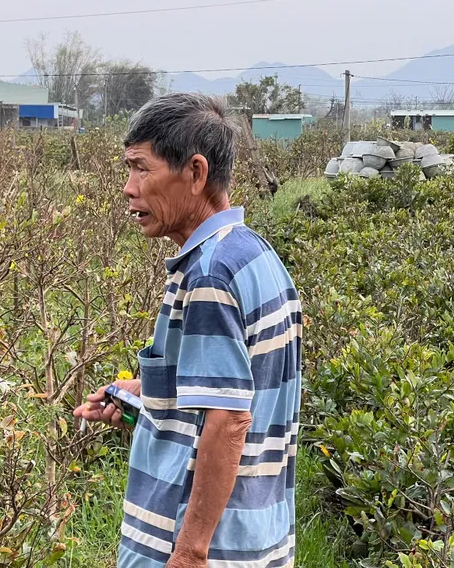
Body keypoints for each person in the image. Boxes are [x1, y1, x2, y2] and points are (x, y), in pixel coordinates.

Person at [74, 93, 302, 568]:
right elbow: (239, 391)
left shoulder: (209, 278)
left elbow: (229, 421)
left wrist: (190, 551)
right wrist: (142, 396)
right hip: (257, 536)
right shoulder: (251, 253)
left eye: (141, 168)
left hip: (205, 549)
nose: (128, 187)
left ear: (195, 174)